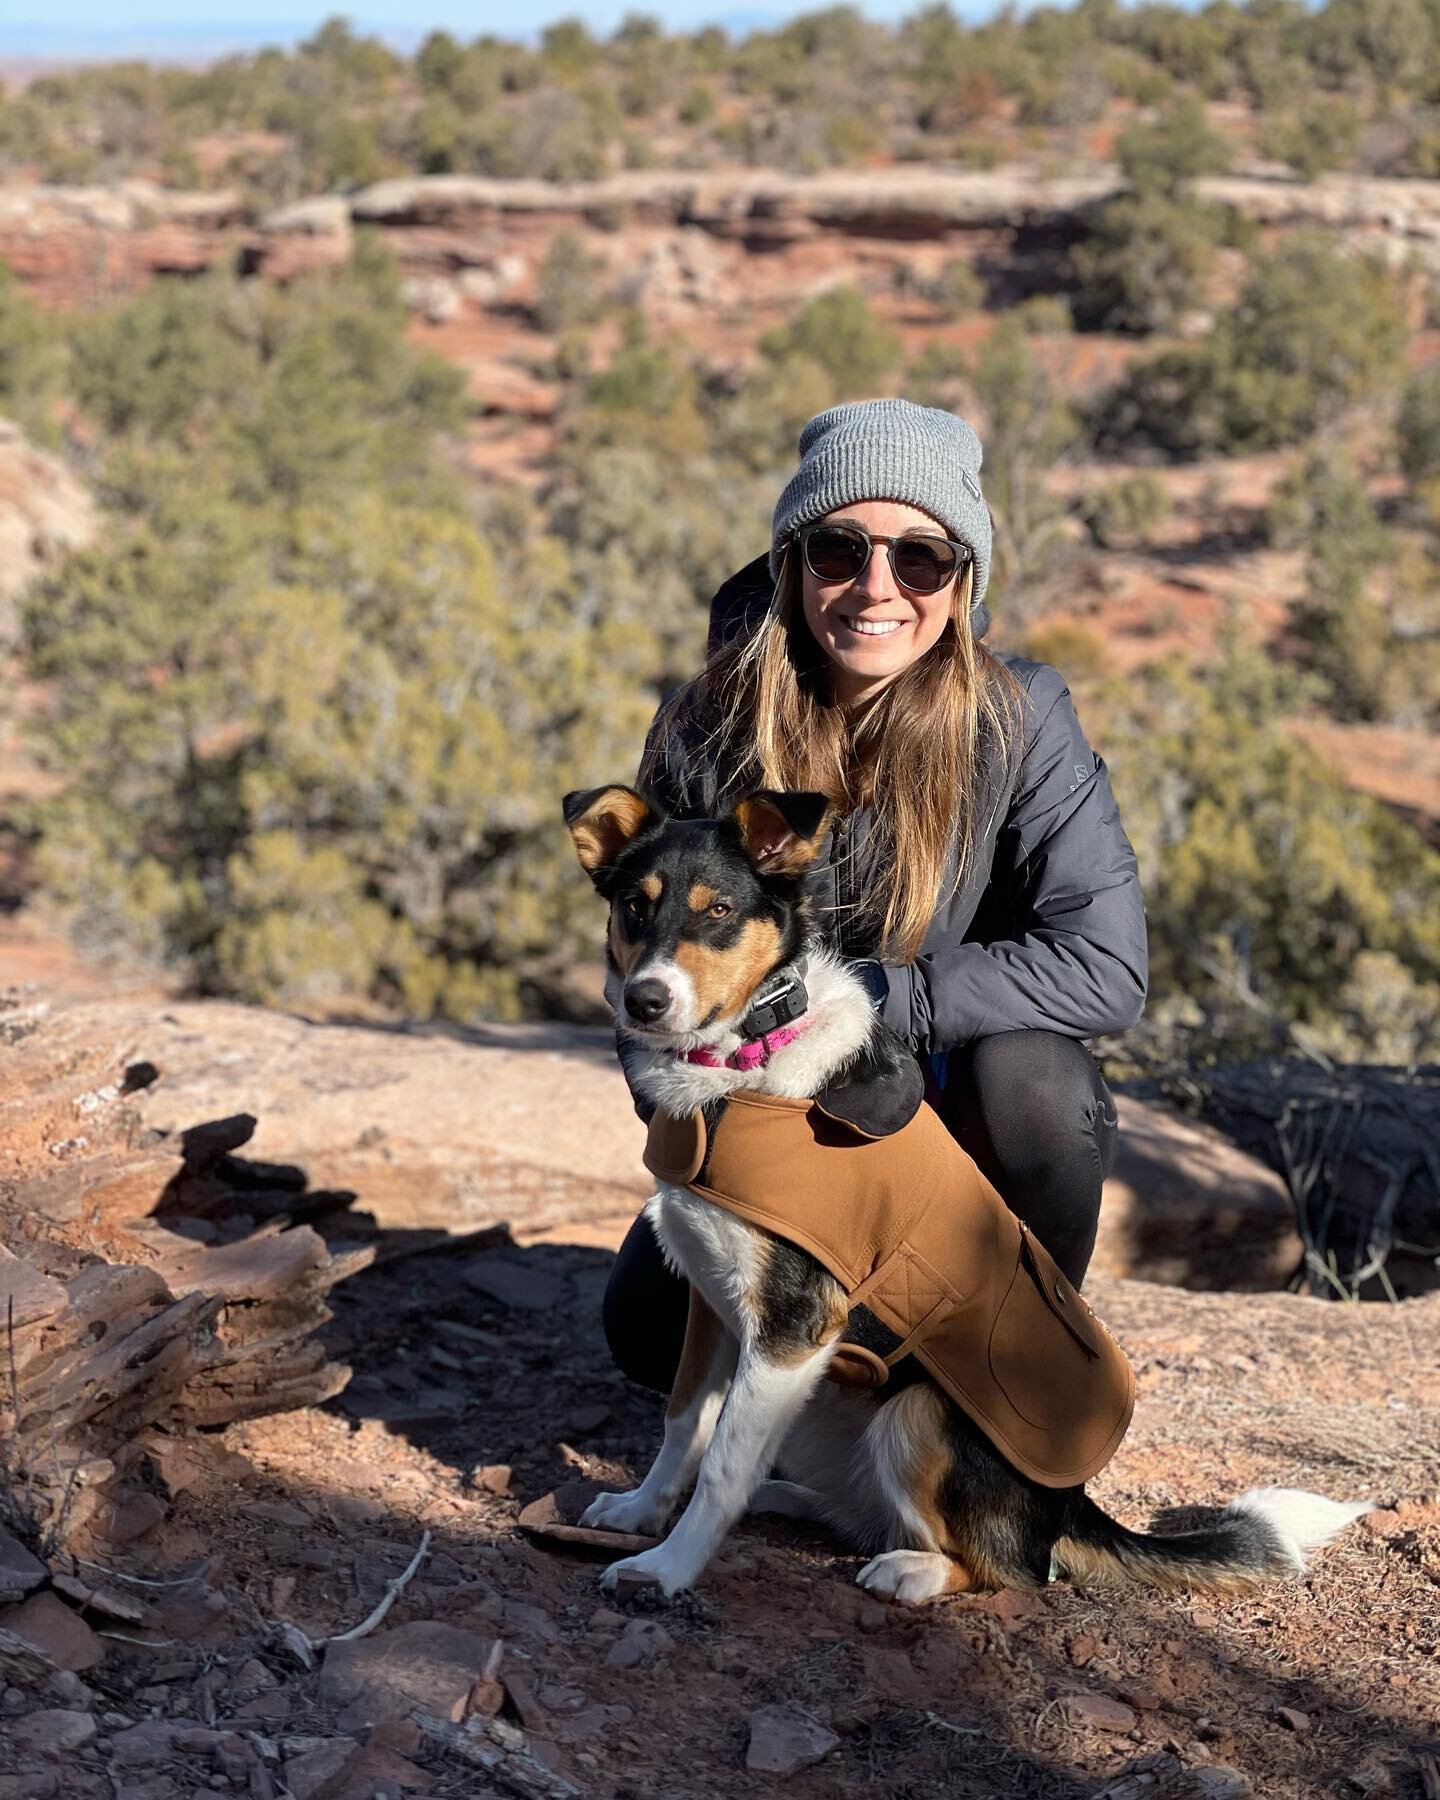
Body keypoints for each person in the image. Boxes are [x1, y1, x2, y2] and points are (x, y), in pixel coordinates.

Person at [603, 397, 1148, 1395]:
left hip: (952, 1096)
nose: (876, 587)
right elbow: (645, 972)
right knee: (643, 1333)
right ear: (791, 563)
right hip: (773, 1095)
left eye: (922, 558)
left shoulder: (1021, 721)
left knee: (1041, 1090)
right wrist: (717, 1100)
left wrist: (874, 1007)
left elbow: (1106, 967)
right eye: (839, 548)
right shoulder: (706, 727)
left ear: (964, 576)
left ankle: (1012, 1368)